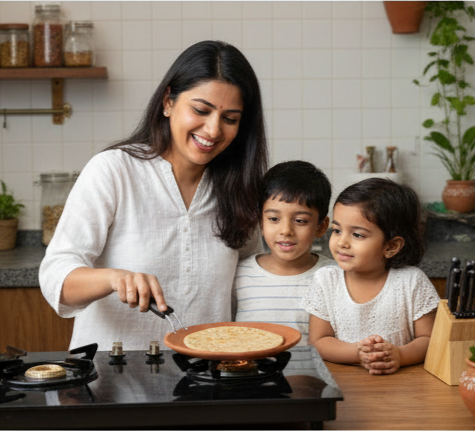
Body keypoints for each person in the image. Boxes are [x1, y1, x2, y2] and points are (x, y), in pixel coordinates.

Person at [39, 40, 268, 350]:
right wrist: (112, 278)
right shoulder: (114, 170)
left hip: (206, 378)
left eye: (230, 119)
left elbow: (250, 279)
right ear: (168, 102)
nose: (213, 130)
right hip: (109, 380)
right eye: (201, 110)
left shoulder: (239, 188)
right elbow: (56, 277)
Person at [302, 178, 440, 375]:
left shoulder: (412, 282)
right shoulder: (325, 281)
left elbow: (430, 340)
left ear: (391, 246)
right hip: (346, 385)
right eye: (337, 230)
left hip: (406, 387)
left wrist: (400, 355)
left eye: (357, 234)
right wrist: (358, 353)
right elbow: (318, 341)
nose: (342, 242)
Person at [232, 161, 334, 345]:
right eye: (273, 219)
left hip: (313, 374)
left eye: (300, 220)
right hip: (252, 373)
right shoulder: (239, 274)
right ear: (260, 222)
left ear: (321, 226)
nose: (286, 230)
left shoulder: (334, 276)